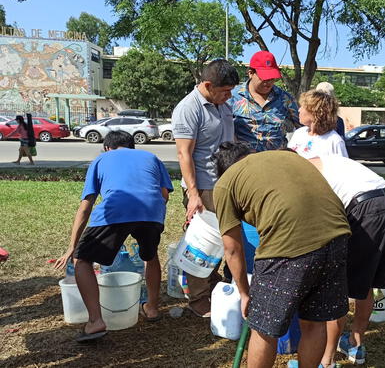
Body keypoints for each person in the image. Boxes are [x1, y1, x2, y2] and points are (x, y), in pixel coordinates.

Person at [213, 142, 351, 368]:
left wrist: (245, 293)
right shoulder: (286, 157)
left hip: (289, 245)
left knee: (264, 328)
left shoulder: (226, 183)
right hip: (337, 236)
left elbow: (232, 248)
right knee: (315, 322)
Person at [54, 131, 173, 342]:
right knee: (150, 255)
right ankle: (152, 308)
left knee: (82, 260)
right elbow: (164, 194)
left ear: (107, 147)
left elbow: (86, 204)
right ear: (131, 146)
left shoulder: (101, 159)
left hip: (117, 207)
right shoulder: (151, 157)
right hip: (153, 211)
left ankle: (95, 321)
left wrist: (72, 246)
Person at [305, 155, 385, 367]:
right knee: (366, 282)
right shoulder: (324, 161)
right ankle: (356, 345)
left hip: (366, 209)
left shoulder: (304, 172)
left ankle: (326, 360)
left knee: (337, 287)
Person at [171, 59, 240, 317]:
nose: (230, 95)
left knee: (227, 239)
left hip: (227, 184)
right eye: (225, 90)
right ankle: (199, 298)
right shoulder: (188, 108)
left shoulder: (223, 105)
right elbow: (184, 154)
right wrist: (193, 195)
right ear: (208, 85)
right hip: (204, 187)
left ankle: (216, 287)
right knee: (202, 244)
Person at [229, 51, 300, 151]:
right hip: (245, 161)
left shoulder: (286, 99)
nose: (269, 82)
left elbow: (303, 128)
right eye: (264, 78)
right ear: (250, 73)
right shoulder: (232, 97)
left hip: (276, 161)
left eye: (272, 78)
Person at [287, 90, 348, 158]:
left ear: (315, 113)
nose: (299, 110)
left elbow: (342, 167)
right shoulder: (299, 133)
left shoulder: (334, 141)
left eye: (302, 107)